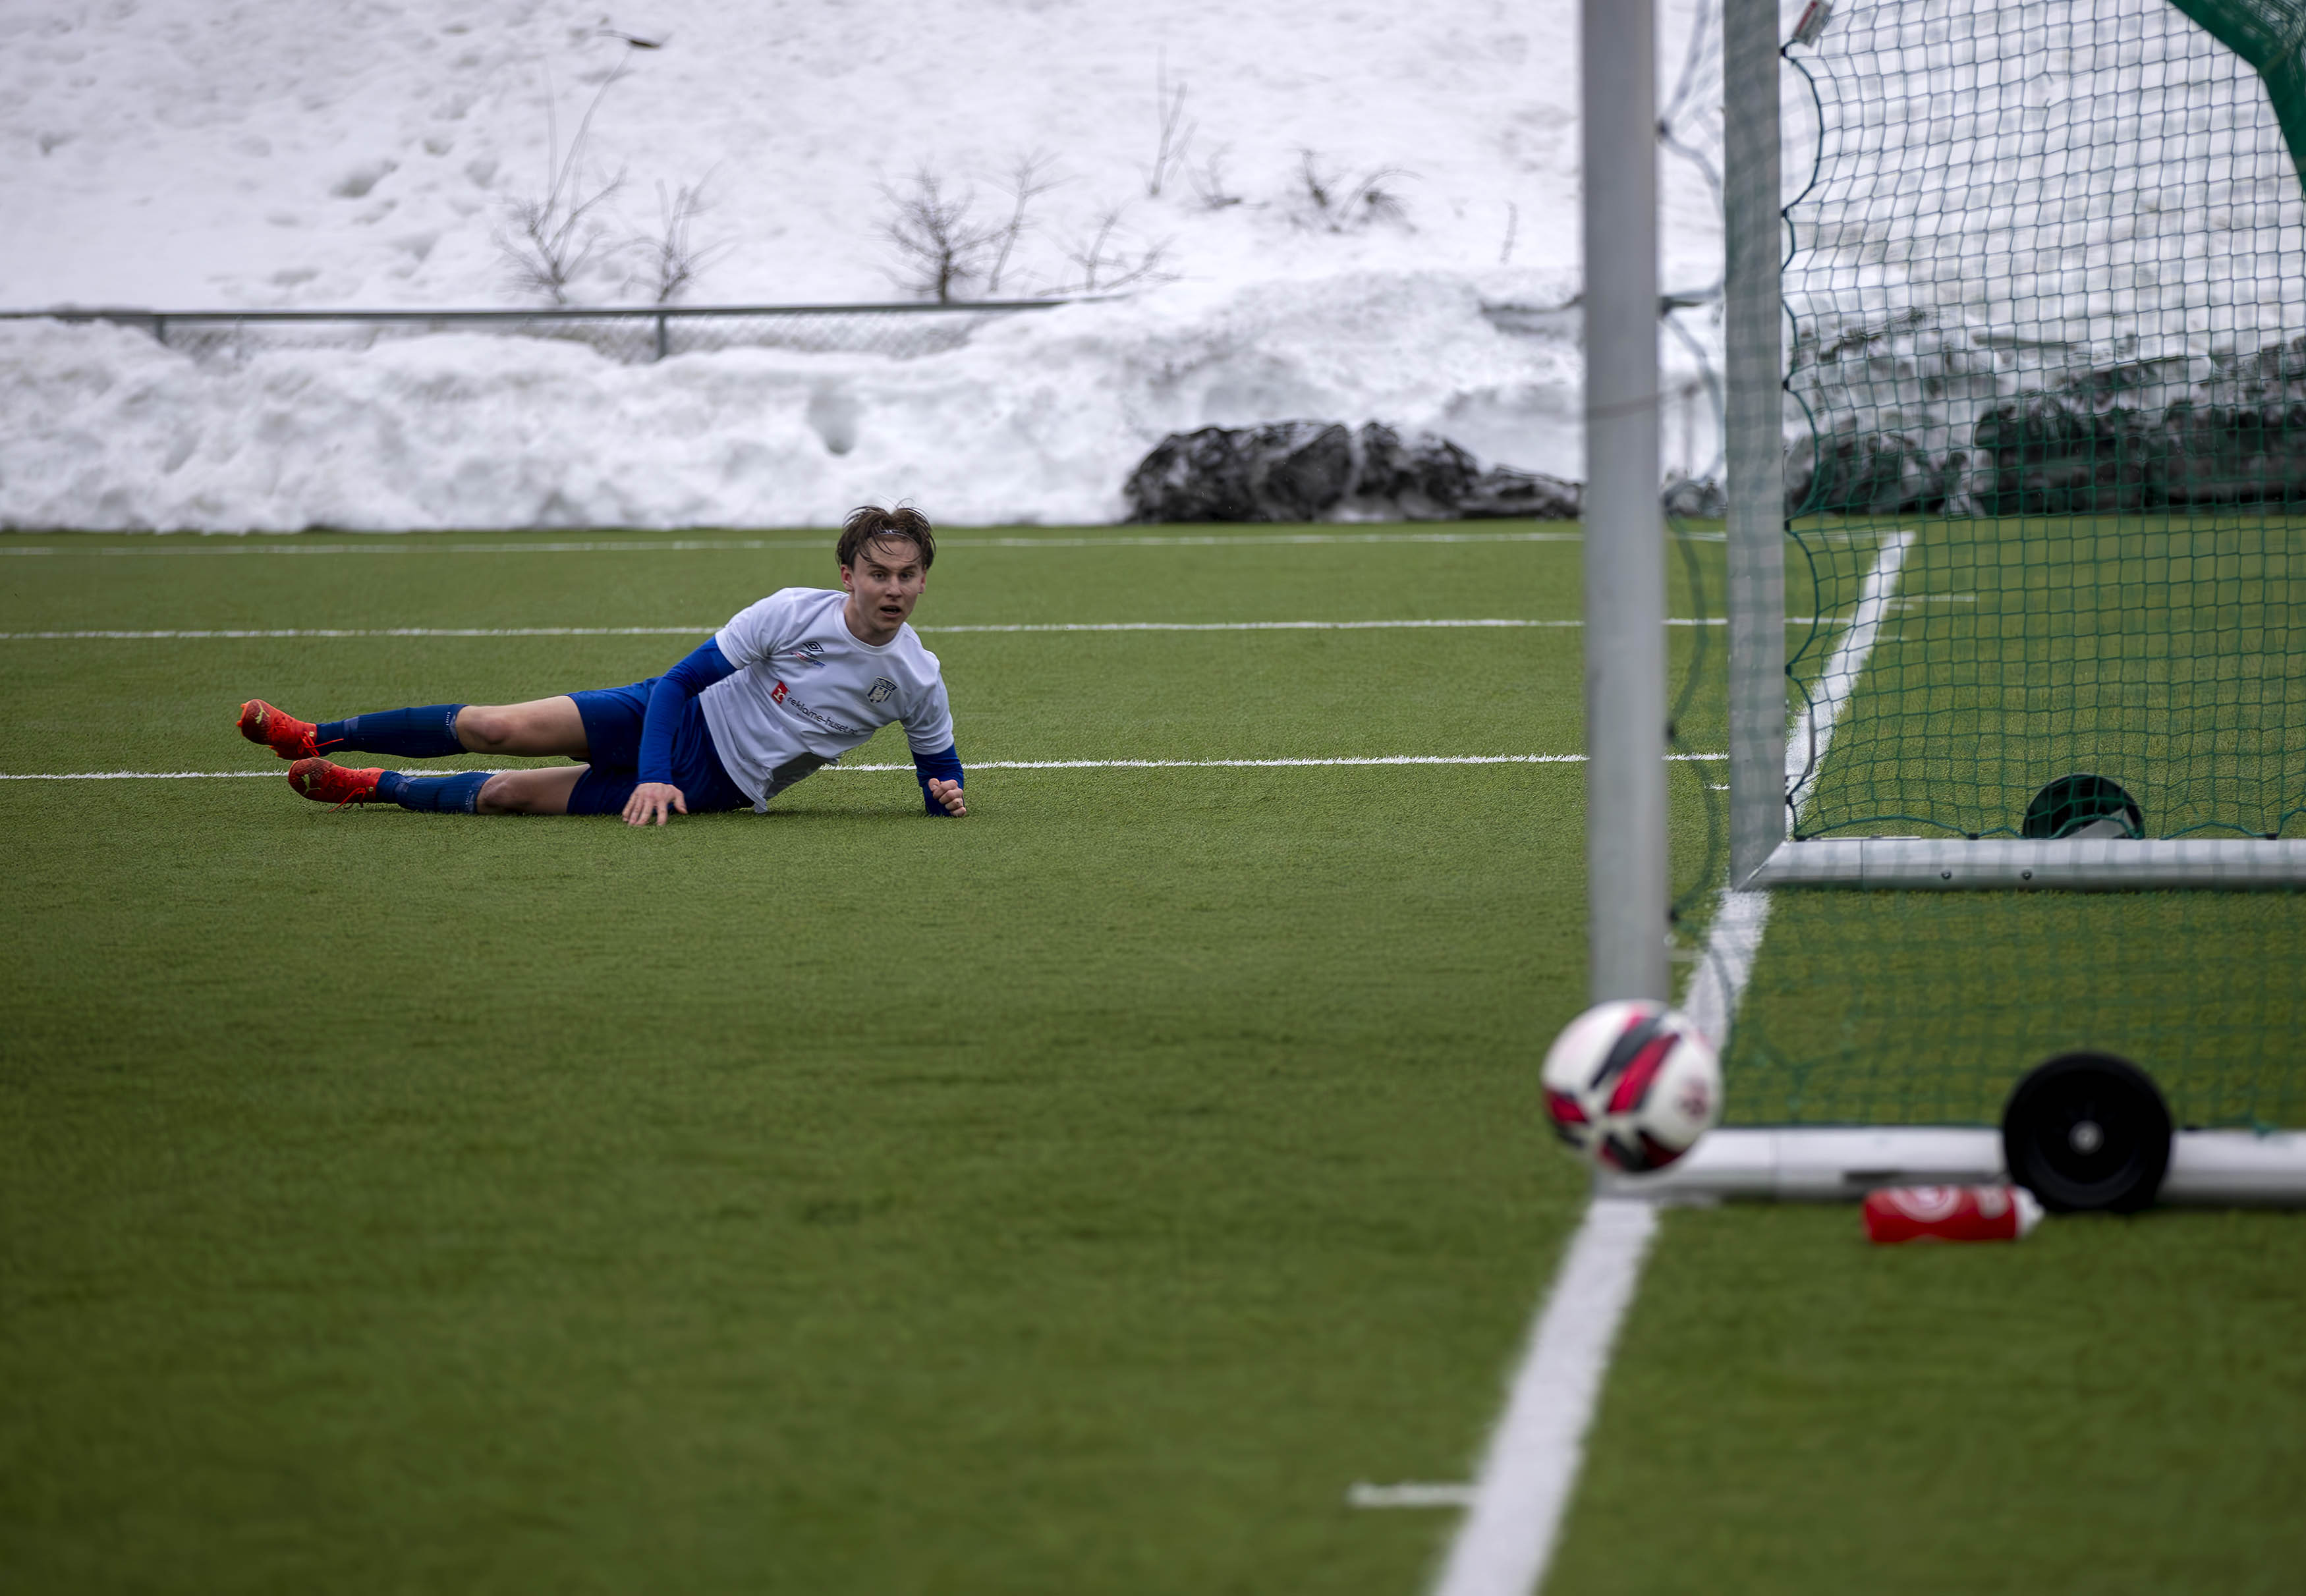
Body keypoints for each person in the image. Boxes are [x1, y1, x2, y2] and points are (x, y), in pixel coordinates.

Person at [240, 505, 967, 825]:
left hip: (714, 783)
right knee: (495, 727)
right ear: (848, 575)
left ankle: (367, 786)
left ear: (923, 581)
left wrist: (945, 797)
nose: (892, 589)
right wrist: (653, 770)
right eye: (878, 573)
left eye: (906, 575)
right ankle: (315, 735)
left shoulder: (917, 679)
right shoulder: (790, 611)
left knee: (507, 796)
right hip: (668, 715)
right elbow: (680, 682)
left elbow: (940, 773)